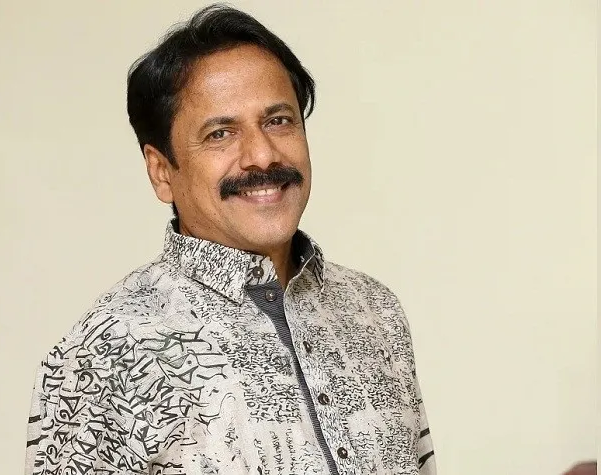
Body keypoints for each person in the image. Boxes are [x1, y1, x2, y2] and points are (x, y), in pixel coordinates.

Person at [24, 4, 436, 474]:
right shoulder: (109, 349)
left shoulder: (373, 311)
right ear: (162, 172)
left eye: (278, 121)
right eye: (220, 133)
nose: (262, 155)